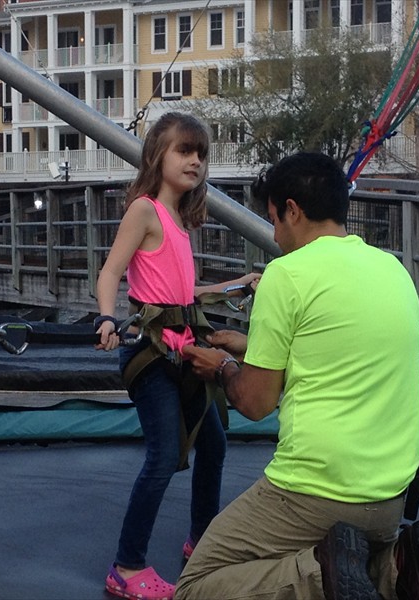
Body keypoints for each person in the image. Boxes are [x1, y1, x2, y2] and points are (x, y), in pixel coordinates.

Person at [177, 152, 419, 600]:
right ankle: (398, 568)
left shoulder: (287, 275)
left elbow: (255, 403)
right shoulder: (392, 270)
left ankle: (320, 578)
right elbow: (335, 352)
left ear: (293, 209)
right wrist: (252, 349)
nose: (274, 234)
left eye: (274, 219)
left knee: (196, 585)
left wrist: (225, 367)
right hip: (389, 499)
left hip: (315, 493)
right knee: (349, 559)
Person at [94, 111, 260, 600]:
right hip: (153, 356)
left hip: (184, 356)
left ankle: (203, 540)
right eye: (184, 151)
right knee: (164, 456)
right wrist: (106, 318)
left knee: (213, 446)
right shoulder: (144, 210)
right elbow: (110, 274)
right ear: (156, 157)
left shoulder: (180, 224)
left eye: (201, 155)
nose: (195, 162)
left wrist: (237, 284)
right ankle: (126, 566)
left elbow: (184, 294)